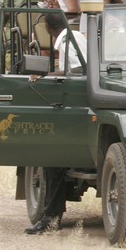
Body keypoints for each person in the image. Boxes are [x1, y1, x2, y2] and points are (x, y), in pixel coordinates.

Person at [25, 12, 87, 234]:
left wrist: (45, 76)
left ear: (49, 29)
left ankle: (51, 217)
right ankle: (51, 215)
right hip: (87, 103)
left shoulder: (64, 39)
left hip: (77, 104)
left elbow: (71, 72)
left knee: (53, 158)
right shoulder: (78, 36)